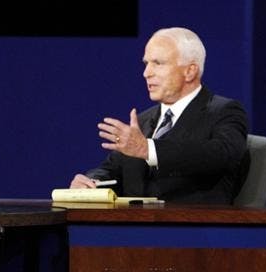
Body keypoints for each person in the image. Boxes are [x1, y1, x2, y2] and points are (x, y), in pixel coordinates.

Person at [70, 27, 248, 203]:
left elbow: (221, 155)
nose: (146, 73)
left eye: (158, 63)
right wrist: (92, 183)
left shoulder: (224, 112)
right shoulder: (142, 121)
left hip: (193, 227)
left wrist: (149, 150)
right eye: (146, 63)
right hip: (133, 227)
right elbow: (112, 171)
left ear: (190, 71)